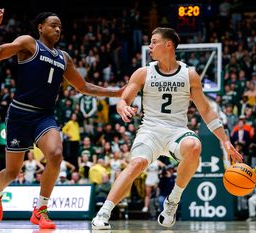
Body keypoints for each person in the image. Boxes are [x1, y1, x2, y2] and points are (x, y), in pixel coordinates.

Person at [91, 27, 243, 230]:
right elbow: (123, 100)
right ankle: (103, 213)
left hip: (176, 131)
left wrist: (225, 141)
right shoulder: (143, 72)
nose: (150, 46)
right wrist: (123, 108)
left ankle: (172, 202)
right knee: (137, 164)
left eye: (154, 42)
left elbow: (206, 110)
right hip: (150, 130)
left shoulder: (190, 75)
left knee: (194, 146)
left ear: (168, 45)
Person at [0, 8, 124, 229]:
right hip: (20, 114)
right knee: (12, 173)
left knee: (56, 154)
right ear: (40, 27)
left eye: (60, 26)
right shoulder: (29, 43)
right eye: (53, 24)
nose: (58, 28)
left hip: (44, 116)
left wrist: (116, 92)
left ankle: (40, 209)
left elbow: (83, 86)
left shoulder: (64, 58)